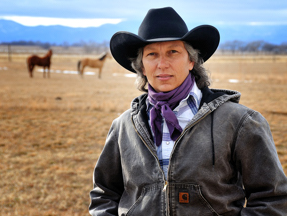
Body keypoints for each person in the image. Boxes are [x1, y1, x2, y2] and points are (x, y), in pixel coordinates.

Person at [89, 7, 287, 216]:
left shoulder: (240, 122)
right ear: (142, 66)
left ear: (191, 60)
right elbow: (104, 194)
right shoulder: (123, 126)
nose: (162, 64)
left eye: (173, 52)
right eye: (152, 54)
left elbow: (273, 200)